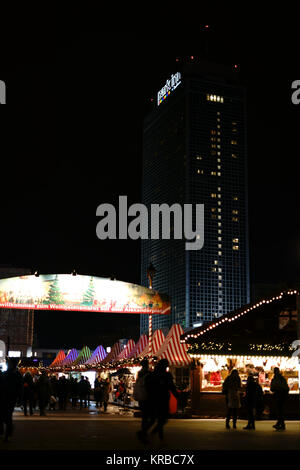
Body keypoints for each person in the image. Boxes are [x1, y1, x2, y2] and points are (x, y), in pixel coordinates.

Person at [147, 358, 179, 443]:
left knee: (159, 419)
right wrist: (177, 396)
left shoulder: (153, 374)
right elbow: (171, 387)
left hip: (155, 399)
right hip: (163, 399)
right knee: (162, 419)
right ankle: (153, 434)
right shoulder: (166, 375)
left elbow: (149, 387)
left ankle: (159, 437)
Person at [0, 357, 23, 442]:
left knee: (8, 417)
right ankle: (4, 431)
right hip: (3, 398)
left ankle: (7, 433)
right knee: (3, 416)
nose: (7, 364)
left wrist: (20, 400)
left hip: (10, 398)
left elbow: (20, 389)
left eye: (8, 363)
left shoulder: (17, 374)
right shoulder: (5, 373)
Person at [135, 358, 155, 444]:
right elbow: (150, 387)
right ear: (147, 365)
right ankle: (143, 433)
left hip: (141, 397)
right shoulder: (148, 374)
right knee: (151, 418)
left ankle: (143, 433)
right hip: (147, 397)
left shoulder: (139, 374)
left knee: (144, 417)